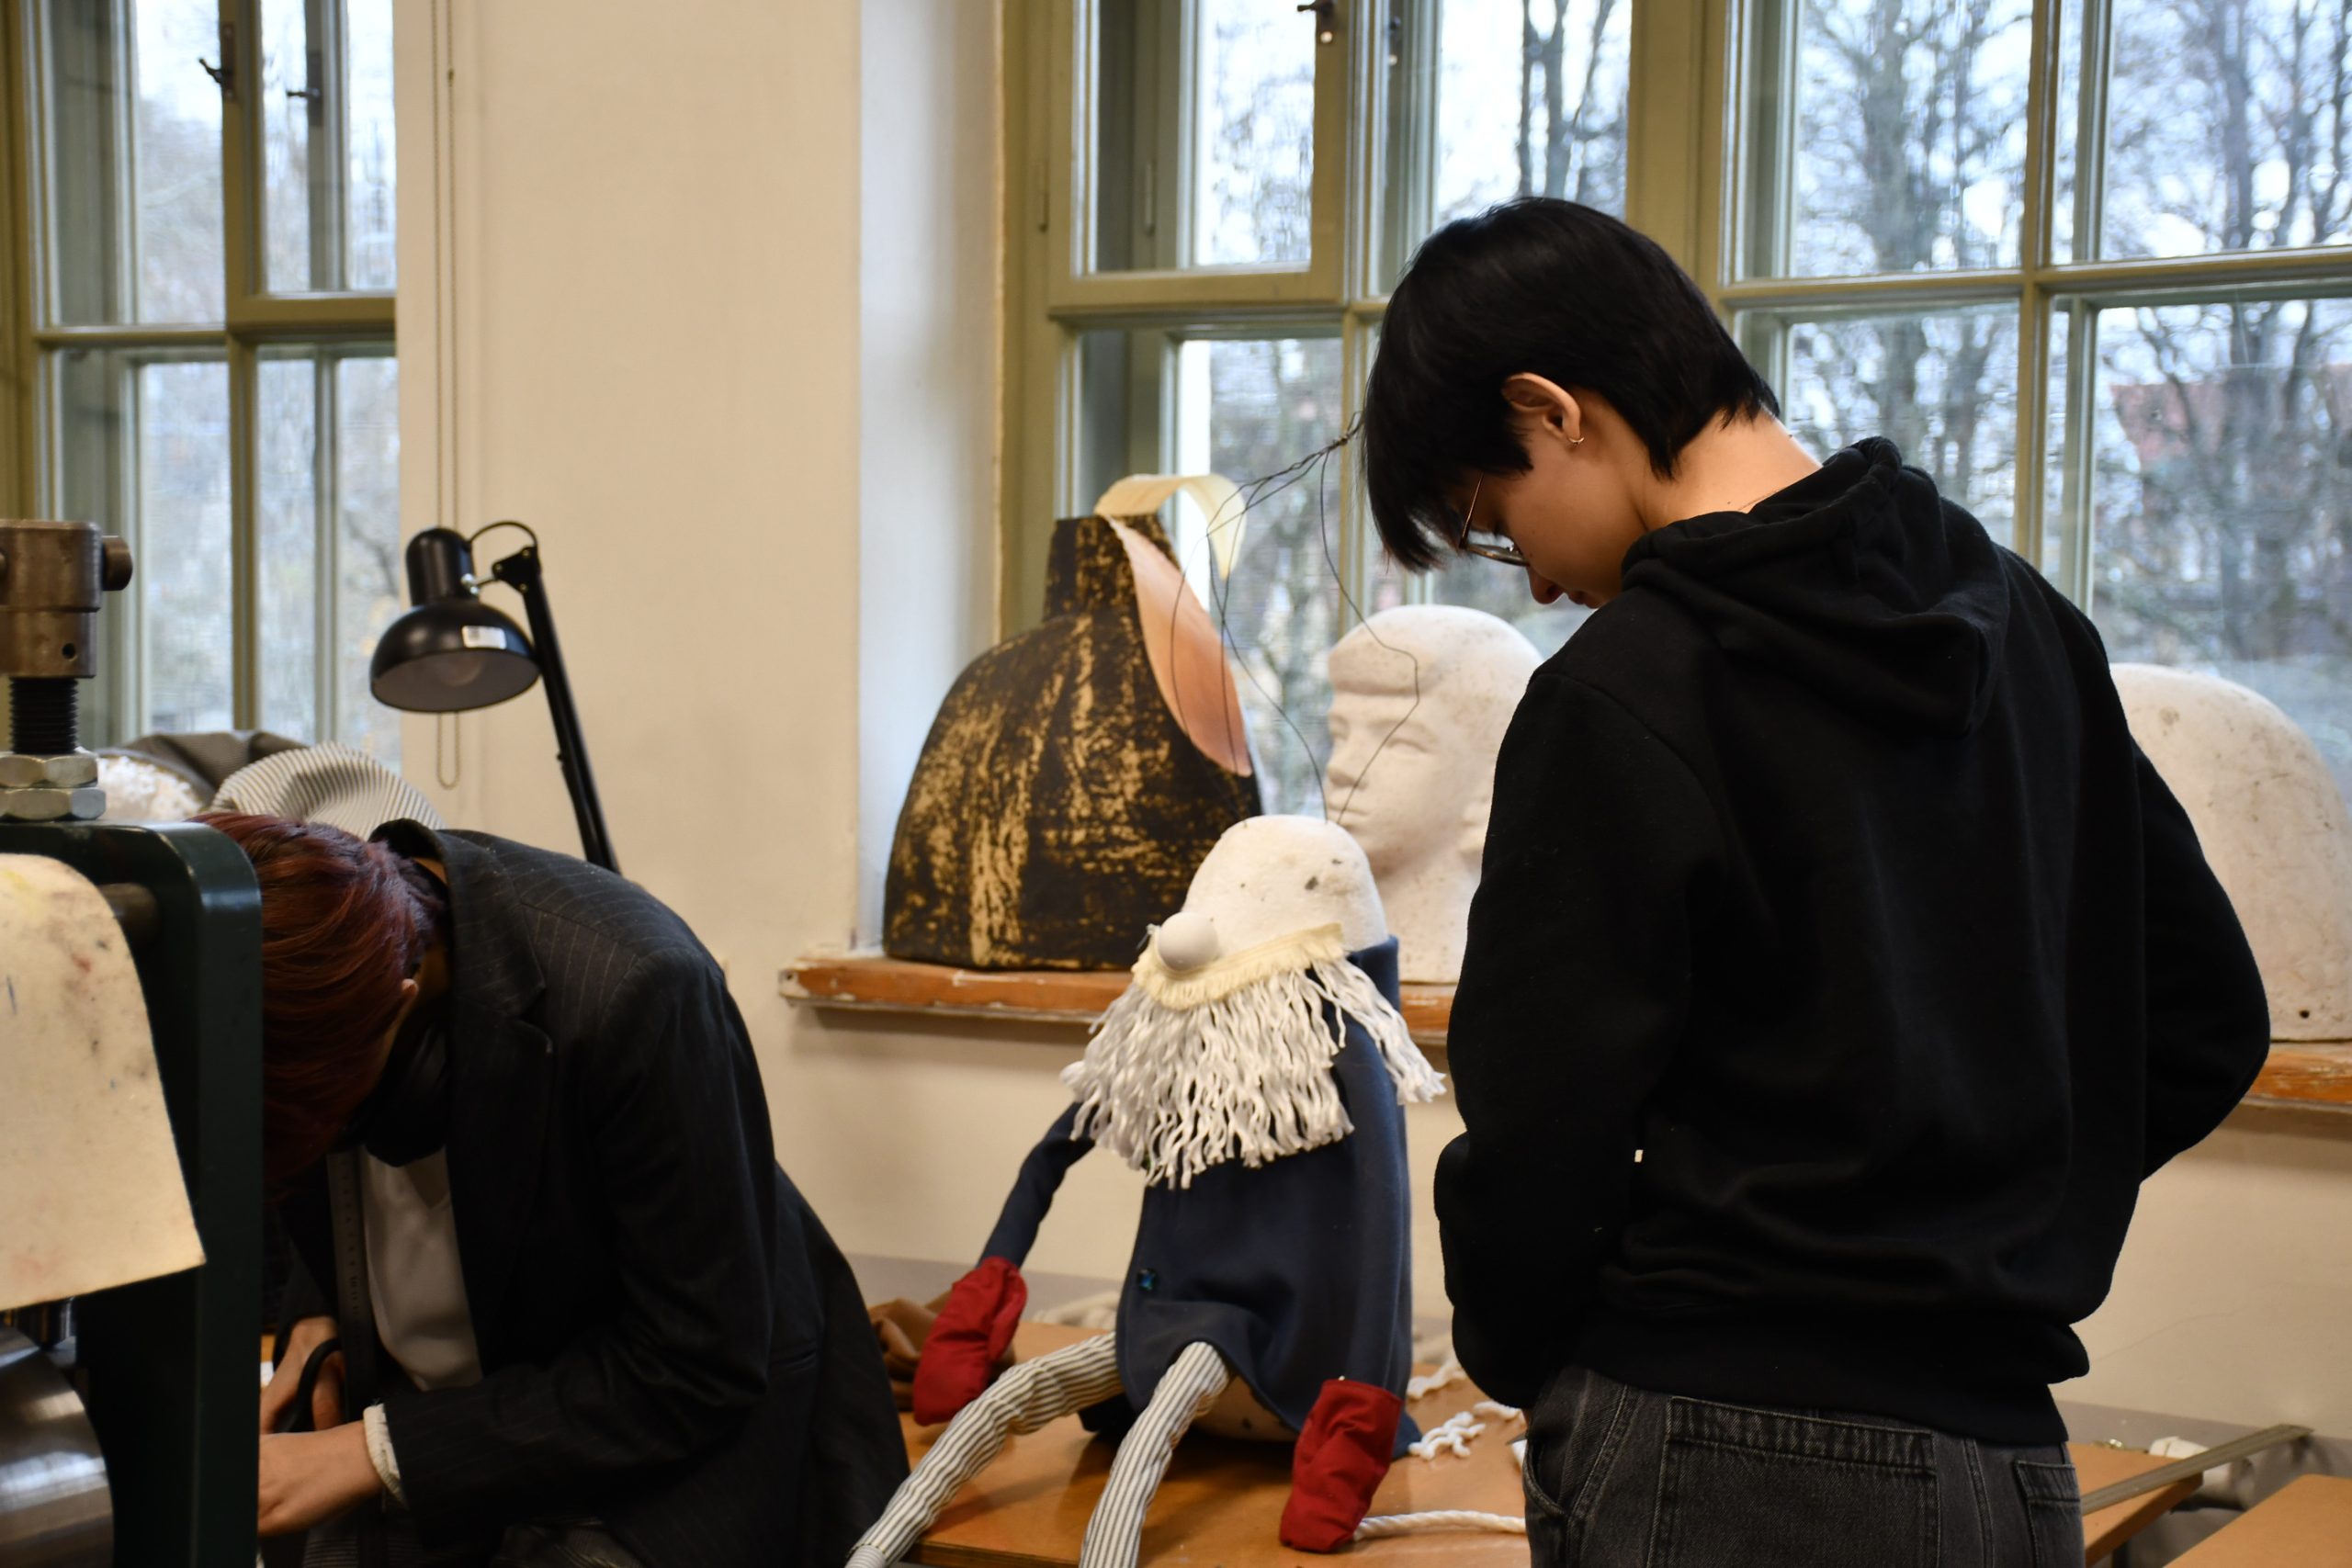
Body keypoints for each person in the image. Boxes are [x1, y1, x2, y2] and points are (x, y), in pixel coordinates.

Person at [1362, 197, 2272, 1567]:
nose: (1535, 583)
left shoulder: (1624, 692)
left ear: (1551, 411)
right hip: (2011, 1470)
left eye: (1495, 520)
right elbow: (2205, 1020)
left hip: (1709, 1443)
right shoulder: (2028, 627)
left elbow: (1541, 1132)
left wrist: (1539, 1347)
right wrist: (1983, 1216)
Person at [210, 810, 906, 1568]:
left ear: (399, 1003)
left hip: (675, 1424)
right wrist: (323, 1312)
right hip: (466, 1404)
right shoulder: (294, 970)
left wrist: (374, 1452)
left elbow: (694, 1367)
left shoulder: (636, 987)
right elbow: (317, 1161)